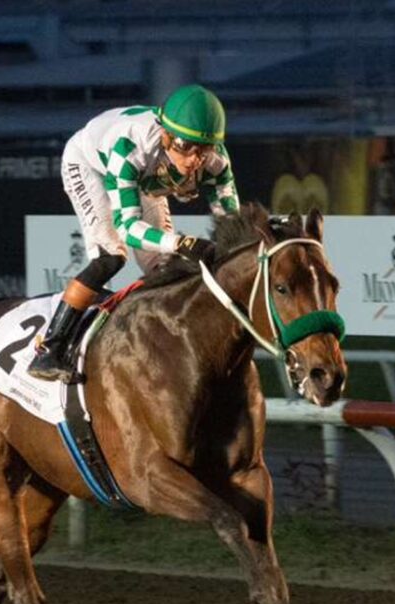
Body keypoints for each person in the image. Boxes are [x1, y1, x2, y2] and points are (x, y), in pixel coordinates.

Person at [27, 83, 241, 383]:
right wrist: (182, 242)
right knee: (111, 257)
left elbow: (232, 226)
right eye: (184, 145)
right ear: (166, 136)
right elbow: (128, 228)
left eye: (203, 149)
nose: (194, 159)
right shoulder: (130, 148)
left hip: (145, 177)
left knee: (165, 268)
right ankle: (51, 347)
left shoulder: (217, 162)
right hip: (92, 165)